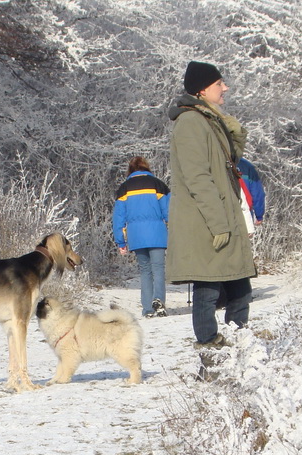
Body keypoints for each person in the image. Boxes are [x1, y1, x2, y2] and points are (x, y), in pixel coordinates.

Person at [166, 61, 256, 360]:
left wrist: (235, 135)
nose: (225, 88)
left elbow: (226, 165)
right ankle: (211, 354)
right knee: (208, 288)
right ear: (203, 89)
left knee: (239, 286)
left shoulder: (208, 120)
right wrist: (219, 224)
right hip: (205, 220)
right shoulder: (191, 122)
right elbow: (198, 177)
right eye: (220, 83)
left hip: (220, 215)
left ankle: (235, 345)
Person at [112, 156, 170, 318]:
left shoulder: (124, 188)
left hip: (136, 235)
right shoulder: (158, 185)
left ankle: (147, 309)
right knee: (158, 269)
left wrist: (120, 241)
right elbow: (168, 211)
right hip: (157, 233)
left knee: (145, 271)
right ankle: (159, 301)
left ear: (130, 170)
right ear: (147, 168)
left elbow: (118, 217)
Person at [237, 157, 265, 226]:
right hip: (245, 213)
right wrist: (259, 215)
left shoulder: (217, 163)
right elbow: (257, 193)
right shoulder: (247, 166)